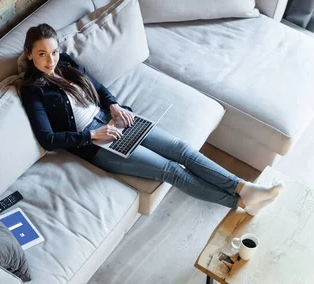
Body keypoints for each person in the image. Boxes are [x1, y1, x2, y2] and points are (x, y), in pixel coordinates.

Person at [17, 23, 282, 215]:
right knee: (171, 170)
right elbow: (48, 139)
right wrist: (92, 135)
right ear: (29, 54)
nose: (50, 60)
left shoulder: (65, 61)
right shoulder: (32, 89)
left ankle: (243, 188)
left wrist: (114, 105)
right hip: (94, 144)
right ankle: (241, 203)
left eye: (53, 52)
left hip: (111, 121)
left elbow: (97, 86)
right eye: (42, 54)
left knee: (181, 149)